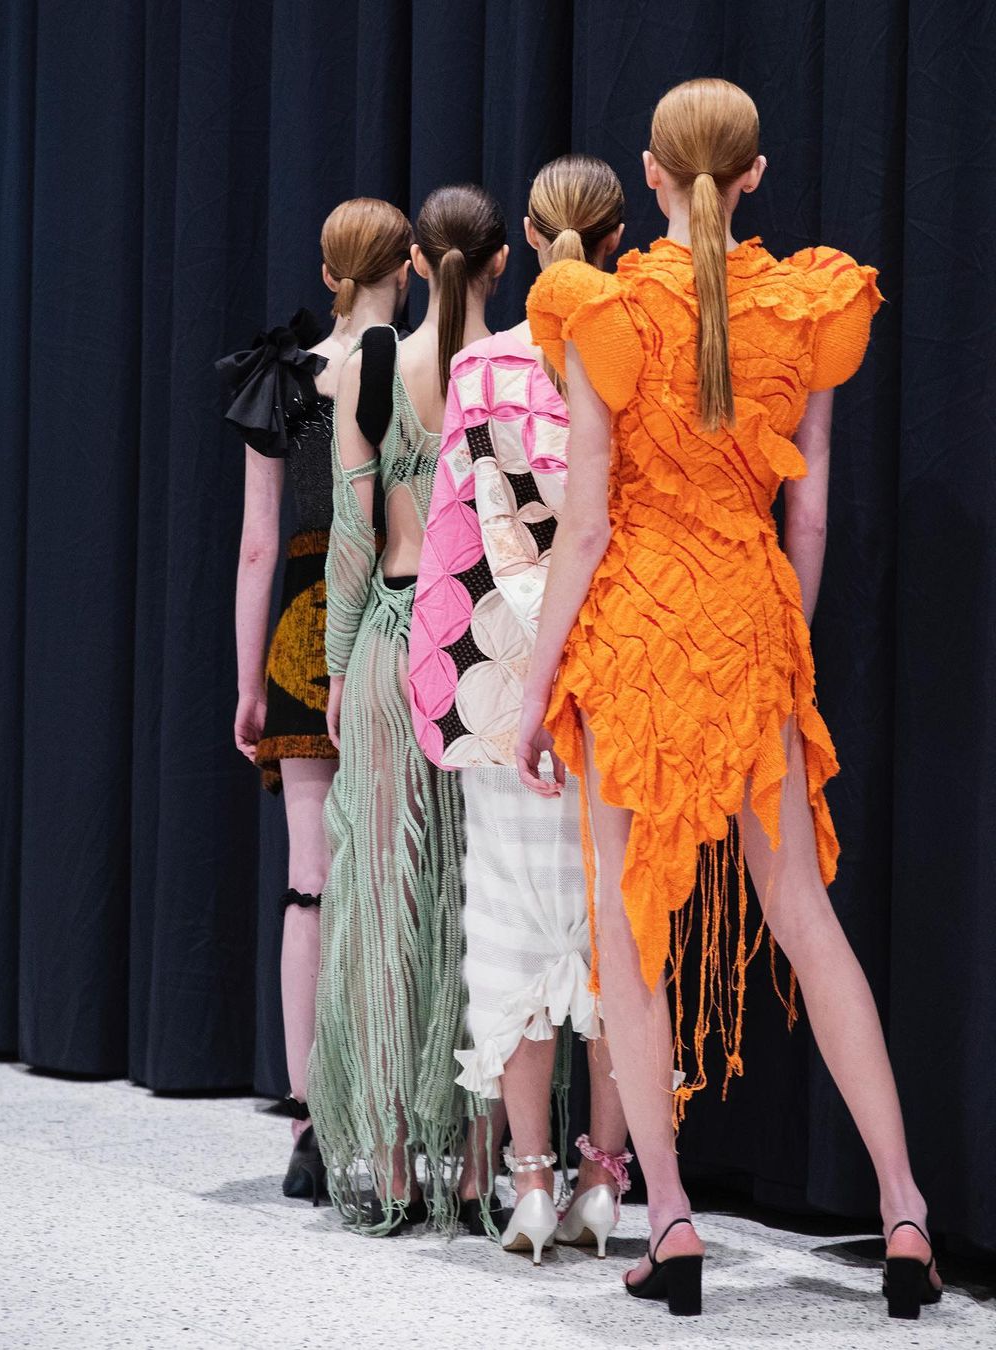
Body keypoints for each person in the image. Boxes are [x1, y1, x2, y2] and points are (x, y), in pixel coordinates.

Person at [518, 78, 938, 1320]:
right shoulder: (807, 307)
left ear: (650, 175)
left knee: (630, 928)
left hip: (636, 626)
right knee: (805, 914)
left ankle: (673, 1219)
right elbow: (809, 514)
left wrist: (536, 690)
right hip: (748, 615)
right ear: (753, 176)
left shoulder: (606, 309)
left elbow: (587, 524)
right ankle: (904, 1210)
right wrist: (775, 640)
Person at [408, 155, 631, 1265]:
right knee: (625, 930)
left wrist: (444, 685)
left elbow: (458, 546)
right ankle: (606, 1180)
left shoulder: (481, 368)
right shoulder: (643, 348)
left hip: (509, 684)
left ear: (531, 242)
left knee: (511, 925)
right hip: (620, 669)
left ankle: (532, 1182)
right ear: (619, 237)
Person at [309, 184, 509, 1236]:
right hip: (484, 657)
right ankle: (479, 1165)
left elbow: (353, 538)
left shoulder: (371, 365)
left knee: (385, 906)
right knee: (483, 907)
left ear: (415, 263)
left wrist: (338, 668)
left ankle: (391, 1160)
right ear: (503, 261)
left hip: (392, 642)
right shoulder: (515, 367)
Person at [216, 198, 411, 1203]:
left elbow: (258, 544)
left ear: (328, 271)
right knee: (399, 872)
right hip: (395, 619)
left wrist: (248, 681)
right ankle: (392, 1115)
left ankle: (306, 1121)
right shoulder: (415, 369)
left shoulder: (286, 377)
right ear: (407, 267)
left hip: (300, 627)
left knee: (311, 880)